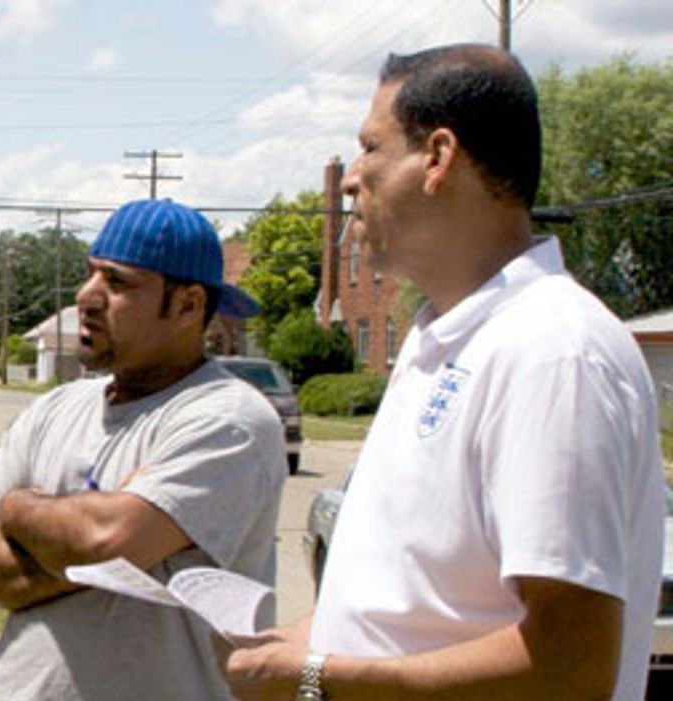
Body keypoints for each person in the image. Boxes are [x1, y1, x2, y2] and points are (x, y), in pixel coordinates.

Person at [221, 44, 664, 701]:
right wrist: (305, 640)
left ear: (437, 157)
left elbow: (570, 665)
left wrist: (319, 676)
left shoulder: (552, 351)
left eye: (370, 148)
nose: (351, 179)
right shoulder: (440, 341)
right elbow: (419, 602)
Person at [0, 197, 288, 701]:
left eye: (118, 282)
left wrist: (18, 508)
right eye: (90, 274)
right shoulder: (54, 408)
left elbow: (107, 540)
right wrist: (104, 558)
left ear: (188, 305)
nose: (86, 296)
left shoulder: (229, 418)